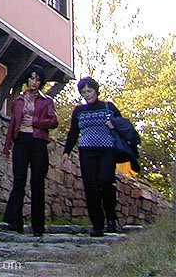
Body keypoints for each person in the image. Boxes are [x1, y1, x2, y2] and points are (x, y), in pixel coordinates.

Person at [61, 76, 121, 236]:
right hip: (87, 151)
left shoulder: (109, 107)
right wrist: (66, 151)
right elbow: (73, 132)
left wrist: (113, 124)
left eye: (89, 91)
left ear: (96, 91)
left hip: (107, 150)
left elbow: (122, 126)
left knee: (107, 182)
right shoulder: (79, 111)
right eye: (83, 92)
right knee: (91, 186)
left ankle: (111, 217)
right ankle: (97, 224)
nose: (87, 94)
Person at [2, 64, 58, 236]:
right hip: (21, 141)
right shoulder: (18, 100)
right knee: (19, 180)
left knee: (37, 182)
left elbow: (53, 121)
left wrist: (35, 121)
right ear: (27, 79)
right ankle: (14, 220)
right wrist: (7, 147)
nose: (34, 82)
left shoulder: (46, 101)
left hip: (38, 142)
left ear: (41, 82)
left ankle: (38, 226)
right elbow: (13, 124)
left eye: (38, 79)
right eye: (32, 78)